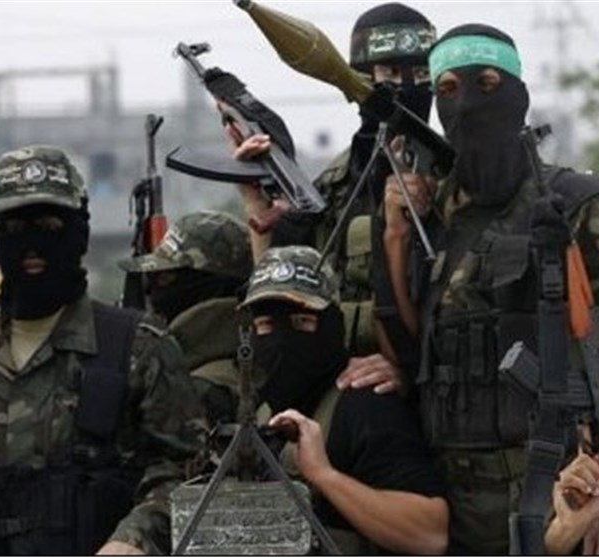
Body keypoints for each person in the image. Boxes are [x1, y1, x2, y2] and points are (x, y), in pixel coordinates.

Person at [383, 24, 599, 553]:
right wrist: (396, 235)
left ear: (518, 95)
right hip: (450, 501)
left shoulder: (578, 207)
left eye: (486, 84)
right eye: (447, 89)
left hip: (555, 497)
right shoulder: (438, 215)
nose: (467, 104)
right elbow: (417, 337)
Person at [0, 145, 205, 555]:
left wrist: (135, 539)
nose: (32, 245)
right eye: (14, 227)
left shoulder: (137, 347)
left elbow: (188, 474)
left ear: (80, 231)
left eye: (49, 225)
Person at [229, 2, 439, 393]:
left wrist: (407, 366)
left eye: (423, 73)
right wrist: (256, 205)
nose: (409, 85)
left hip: (429, 384)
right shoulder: (328, 188)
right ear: (357, 79)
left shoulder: (455, 180)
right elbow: (280, 301)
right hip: (338, 385)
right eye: (391, 72)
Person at [240, 245, 448, 555]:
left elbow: (430, 533)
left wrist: (324, 476)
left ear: (332, 325)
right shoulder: (260, 410)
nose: (280, 339)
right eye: (266, 326)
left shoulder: (366, 405)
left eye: (302, 322)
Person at [118, 210, 253, 426]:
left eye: (165, 277)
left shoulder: (209, 387)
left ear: (212, 285)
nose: (152, 290)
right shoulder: (184, 360)